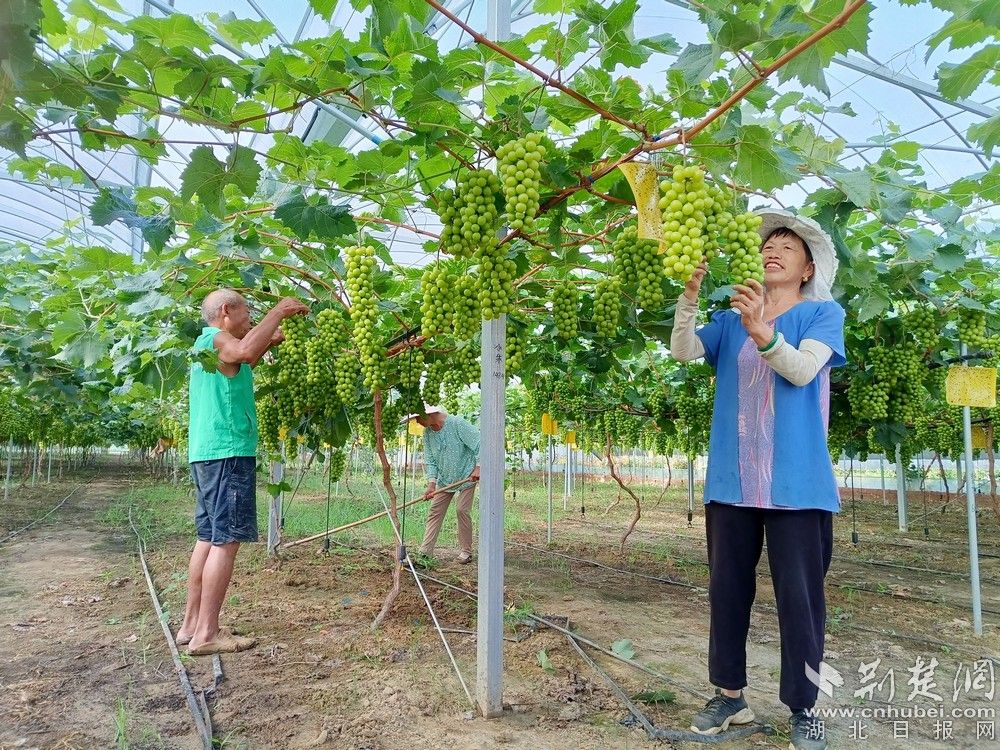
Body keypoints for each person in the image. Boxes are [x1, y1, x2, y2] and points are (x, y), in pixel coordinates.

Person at [669, 209, 846, 750]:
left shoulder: (821, 314)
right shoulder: (731, 318)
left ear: (808, 267)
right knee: (727, 590)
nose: (773, 250)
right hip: (733, 479)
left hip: (798, 485)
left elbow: (799, 370)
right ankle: (730, 696)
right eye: (769, 244)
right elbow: (682, 350)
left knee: (800, 598)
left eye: (787, 247)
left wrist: (762, 333)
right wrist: (690, 298)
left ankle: (804, 706)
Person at [178, 288, 309, 656]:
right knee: (226, 540)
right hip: (228, 452)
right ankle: (207, 634)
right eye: (247, 312)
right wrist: (279, 311)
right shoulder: (217, 339)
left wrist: (268, 337)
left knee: (208, 537)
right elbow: (244, 352)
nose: (251, 318)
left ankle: (191, 625)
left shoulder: (206, 346)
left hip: (207, 453)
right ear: (225, 312)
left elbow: (241, 361)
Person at [410, 406, 480, 565]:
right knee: (435, 511)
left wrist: (478, 467)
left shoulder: (457, 424)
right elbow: (431, 460)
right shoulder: (428, 434)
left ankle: (466, 551)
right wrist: (431, 484)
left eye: (418, 417)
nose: (417, 421)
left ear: (429, 414)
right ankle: (425, 552)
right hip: (445, 479)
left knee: (462, 509)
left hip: (466, 476)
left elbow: (479, 443)